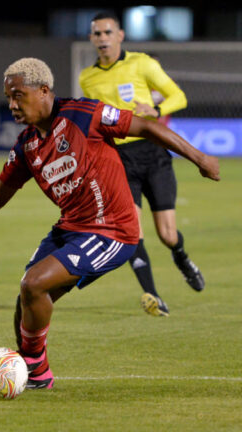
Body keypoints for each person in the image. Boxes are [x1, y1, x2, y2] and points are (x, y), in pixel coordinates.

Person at [0, 58, 219, 389]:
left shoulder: (83, 114)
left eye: (18, 96)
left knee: (33, 283)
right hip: (71, 229)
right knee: (26, 304)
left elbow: (146, 126)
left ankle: (32, 371)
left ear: (44, 91)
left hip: (113, 232)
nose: (12, 105)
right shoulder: (27, 145)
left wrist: (201, 158)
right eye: (8, 98)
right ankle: (38, 375)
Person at [79, 12, 203, 317]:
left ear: (120, 35)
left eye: (108, 32)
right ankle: (153, 295)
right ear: (92, 39)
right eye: (97, 34)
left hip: (153, 153)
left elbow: (179, 96)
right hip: (118, 160)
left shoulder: (143, 63)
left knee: (167, 234)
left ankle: (181, 256)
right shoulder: (87, 78)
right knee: (131, 231)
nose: (103, 38)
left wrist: (156, 109)